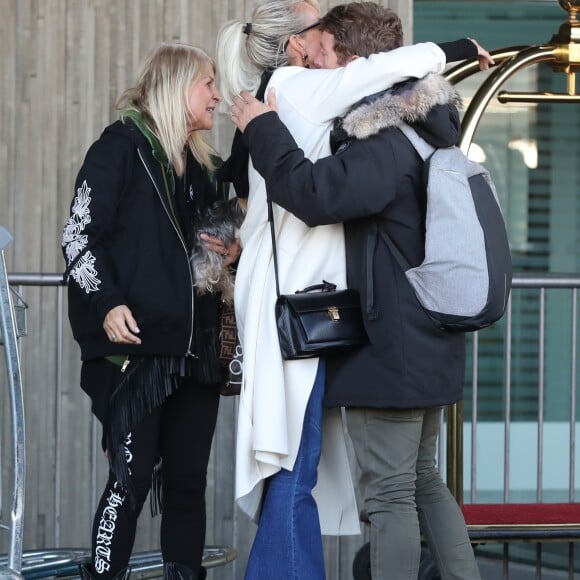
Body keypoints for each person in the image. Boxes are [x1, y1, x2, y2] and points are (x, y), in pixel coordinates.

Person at [217, 1, 492, 578]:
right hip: (429, 341)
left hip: (392, 343)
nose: (314, 58)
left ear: (352, 61)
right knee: (424, 483)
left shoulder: (384, 139)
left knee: (389, 496)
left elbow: (318, 196)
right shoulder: (422, 133)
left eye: (323, 48)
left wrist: (262, 129)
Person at [61, 43, 239, 580]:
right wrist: (107, 302)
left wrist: (231, 247)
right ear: (177, 87)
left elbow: (211, 242)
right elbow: (78, 236)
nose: (217, 94)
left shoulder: (202, 165)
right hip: (135, 353)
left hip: (194, 351)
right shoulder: (118, 149)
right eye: (207, 83)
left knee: (187, 481)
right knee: (132, 478)